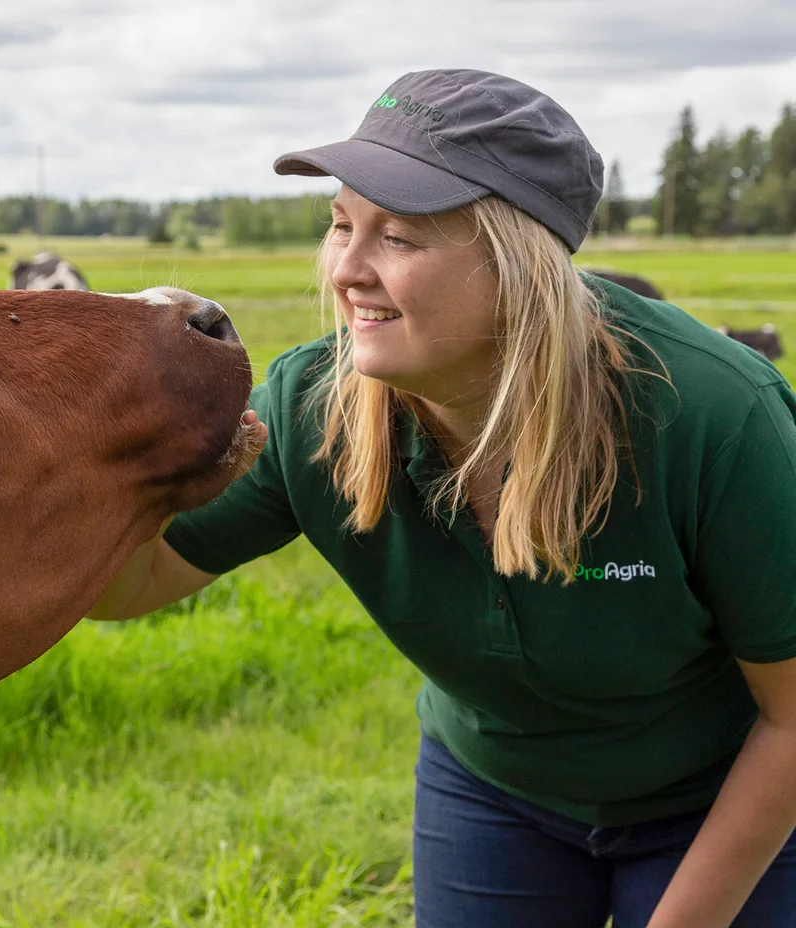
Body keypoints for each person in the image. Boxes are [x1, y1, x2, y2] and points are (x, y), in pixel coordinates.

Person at [89, 69, 796, 927]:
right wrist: (83, 441)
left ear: (518, 264)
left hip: (723, 797)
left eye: (399, 237)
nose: (347, 269)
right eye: (341, 224)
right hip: (493, 791)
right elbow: (130, 583)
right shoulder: (310, 409)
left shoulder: (715, 416)